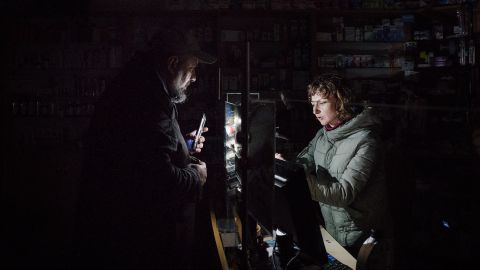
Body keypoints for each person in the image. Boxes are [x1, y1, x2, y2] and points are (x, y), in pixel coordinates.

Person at [72, 26, 216, 270]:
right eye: (191, 69)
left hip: (118, 226)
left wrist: (183, 146)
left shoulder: (144, 82)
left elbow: (149, 147)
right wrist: (196, 177)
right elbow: (158, 180)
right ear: (172, 63)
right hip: (129, 236)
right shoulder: (146, 98)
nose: (194, 78)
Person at [277, 73, 394, 269]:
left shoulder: (366, 141)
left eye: (322, 102)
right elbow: (303, 162)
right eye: (313, 103)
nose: (314, 110)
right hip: (333, 234)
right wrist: (285, 165)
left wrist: (298, 180)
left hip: (362, 239)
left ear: (341, 102)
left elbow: (343, 193)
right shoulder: (323, 134)